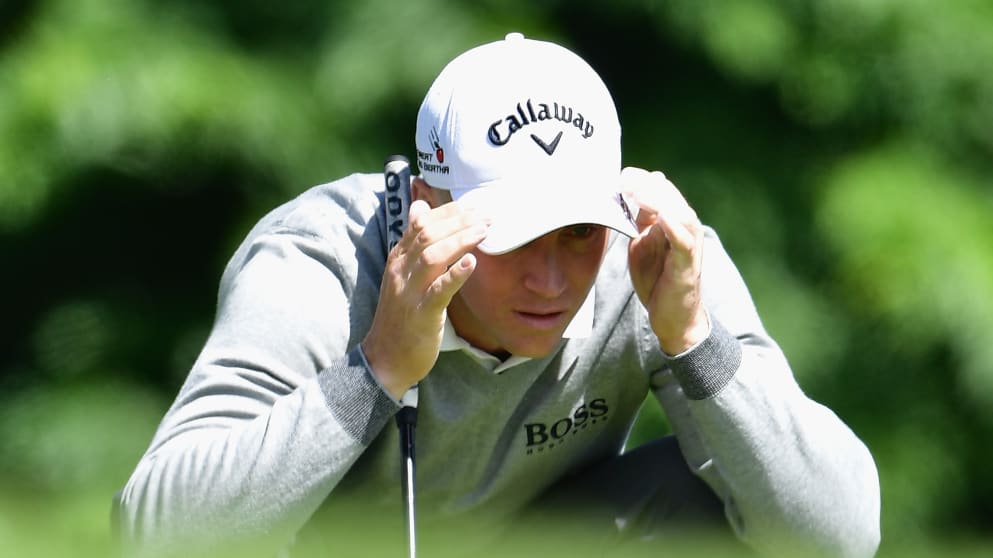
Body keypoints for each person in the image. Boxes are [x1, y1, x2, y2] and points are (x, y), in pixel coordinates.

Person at [114, 33, 881, 558]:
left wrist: (693, 342)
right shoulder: (318, 263)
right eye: (511, 237)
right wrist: (377, 368)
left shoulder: (652, 262)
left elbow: (840, 535)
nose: (551, 281)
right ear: (425, 204)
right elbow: (153, 535)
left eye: (577, 233)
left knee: (719, 481)